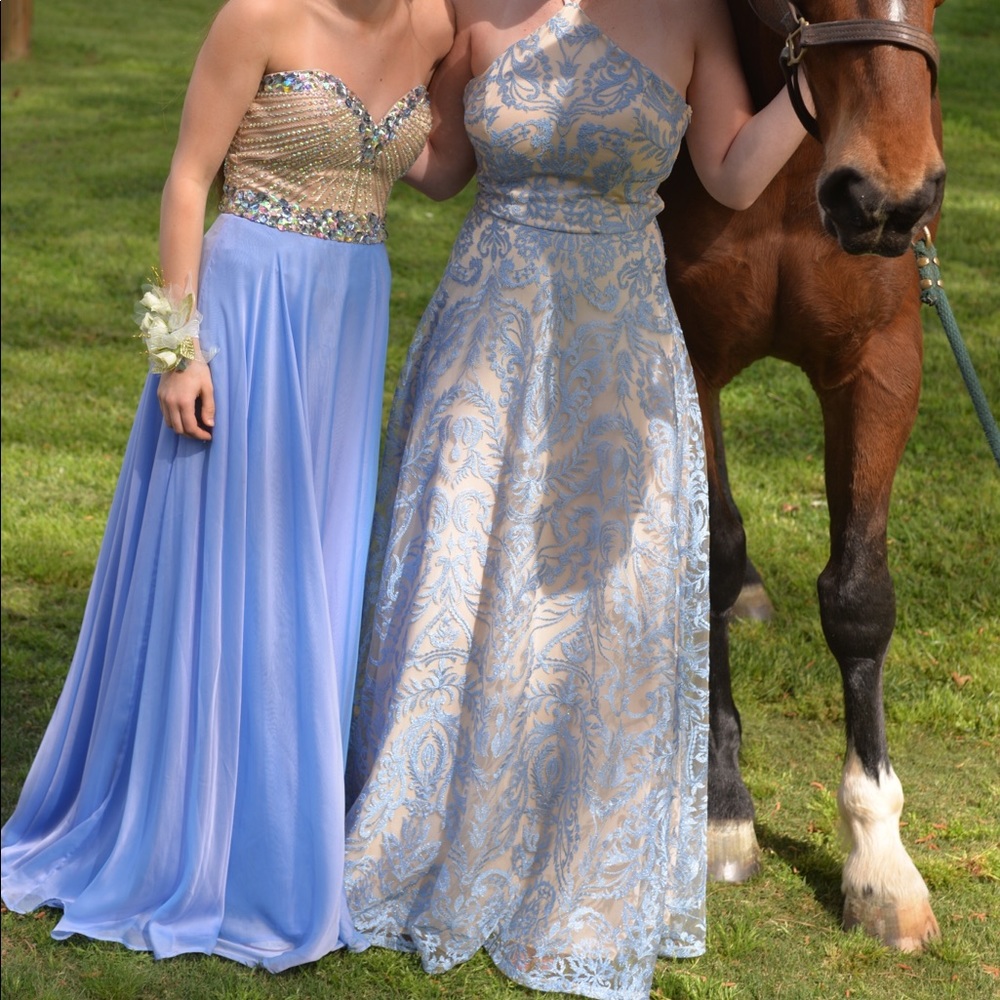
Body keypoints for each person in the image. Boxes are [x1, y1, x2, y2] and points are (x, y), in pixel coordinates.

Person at [342, 1, 811, 997]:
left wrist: (820, 84)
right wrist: (343, 94)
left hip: (616, 347)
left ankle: (577, 842)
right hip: (488, 336)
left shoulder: (689, 14)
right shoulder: (477, 9)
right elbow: (439, 167)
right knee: (463, 573)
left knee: (599, 599)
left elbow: (731, 171)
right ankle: (426, 815)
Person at [1, 0, 456, 972]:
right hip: (247, 317)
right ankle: (190, 823)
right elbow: (185, 180)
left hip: (347, 325)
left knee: (316, 571)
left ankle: (281, 820)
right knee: (234, 569)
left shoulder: (434, 28)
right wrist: (178, 352)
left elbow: (444, 166)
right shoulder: (258, 17)